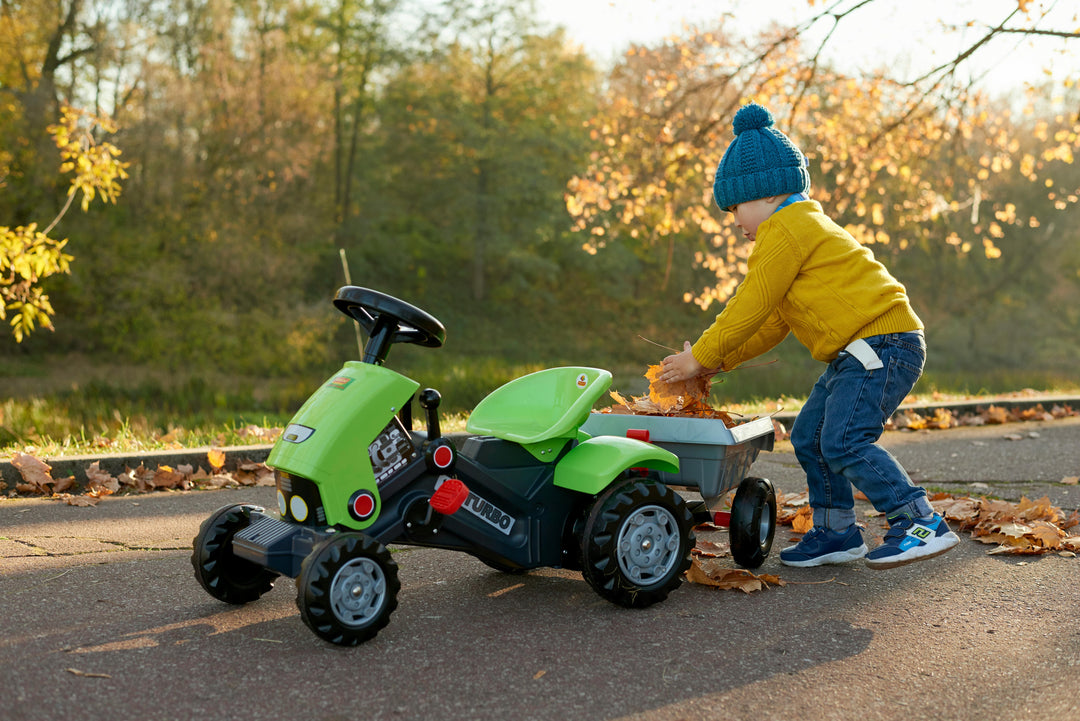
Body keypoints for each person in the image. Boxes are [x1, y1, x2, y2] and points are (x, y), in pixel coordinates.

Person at [659, 102, 959, 569]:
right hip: (859, 353)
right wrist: (725, 360)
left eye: (736, 207)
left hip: (883, 343)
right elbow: (773, 321)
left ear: (766, 195)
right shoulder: (794, 231)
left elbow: (750, 303)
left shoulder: (787, 228)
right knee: (811, 437)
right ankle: (837, 532)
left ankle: (919, 522)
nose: (735, 219)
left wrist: (699, 356)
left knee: (843, 440)